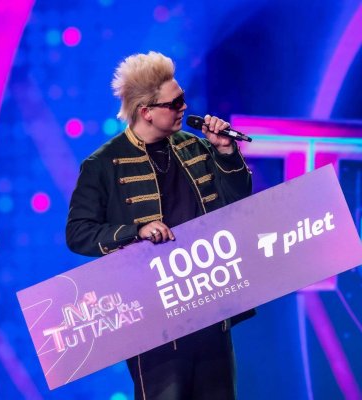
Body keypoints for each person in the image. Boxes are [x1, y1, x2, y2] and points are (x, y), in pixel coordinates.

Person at [66, 51, 254, 400]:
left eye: (183, 98)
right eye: (175, 102)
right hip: (152, 320)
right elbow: (78, 233)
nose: (185, 107)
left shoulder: (196, 147)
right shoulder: (103, 164)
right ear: (146, 111)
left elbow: (238, 202)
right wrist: (134, 232)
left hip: (209, 306)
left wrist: (227, 153)